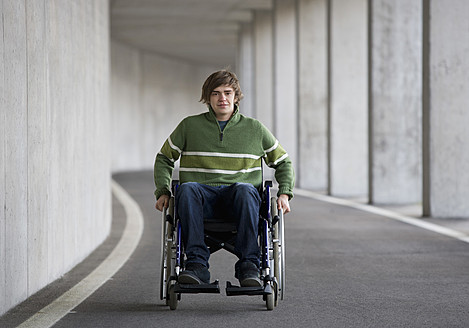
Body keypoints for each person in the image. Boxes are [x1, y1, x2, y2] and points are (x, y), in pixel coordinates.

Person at [154, 70, 294, 287]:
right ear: (207, 98)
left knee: (245, 189)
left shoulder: (254, 129)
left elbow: (283, 162)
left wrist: (284, 192)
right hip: (200, 200)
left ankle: (249, 266)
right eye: (216, 93)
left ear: (236, 96)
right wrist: (163, 190)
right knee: (187, 188)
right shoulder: (189, 126)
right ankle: (197, 265)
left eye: (227, 93)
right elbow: (164, 158)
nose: (222, 98)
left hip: (239, 202)